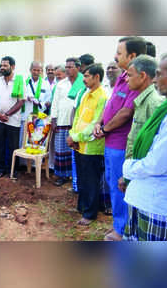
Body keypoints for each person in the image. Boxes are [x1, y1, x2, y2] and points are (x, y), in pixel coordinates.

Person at [93, 36, 146, 241]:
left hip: (120, 144)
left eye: (119, 53)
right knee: (112, 183)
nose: (115, 57)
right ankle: (118, 224)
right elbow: (110, 106)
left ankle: (121, 230)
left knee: (119, 186)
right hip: (109, 141)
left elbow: (126, 113)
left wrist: (104, 129)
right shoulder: (123, 77)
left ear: (132, 56)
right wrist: (99, 123)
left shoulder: (136, 81)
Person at [122, 52, 167, 241]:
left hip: (158, 203)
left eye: (160, 74)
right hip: (146, 196)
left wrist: (128, 168)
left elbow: (156, 163)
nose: (155, 80)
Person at [67, 64, 108, 225]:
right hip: (79, 144)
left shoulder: (102, 97)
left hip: (91, 147)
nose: (83, 79)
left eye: (87, 76)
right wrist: (73, 136)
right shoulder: (85, 94)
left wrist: (76, 137)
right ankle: (82, 207)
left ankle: (90, 214)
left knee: (91, 181)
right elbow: (77, 117)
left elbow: (95, 125)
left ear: (97, 77)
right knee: (82, 179)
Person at [51, 57, 85, 186]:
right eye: (67, 67)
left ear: (78, 68)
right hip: (61, 121)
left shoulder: (83, 82)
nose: (68, 69)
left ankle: (75, 177)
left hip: (77, 123)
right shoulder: (61, 84)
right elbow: (55, 103)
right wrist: (54, 120)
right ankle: (62, 176)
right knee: (61, 150)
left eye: (71, 67)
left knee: (76, 150)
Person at [0, 56, 25, 178]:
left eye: (5, 65)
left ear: (13, 67)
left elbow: (21, 101)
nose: (2, 68)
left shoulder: (19, 81)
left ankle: (12, 169)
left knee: (12, 146)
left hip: (13, 120)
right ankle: (0, 169)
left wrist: (7, 114)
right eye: (1, 65)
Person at [21, 61, 51, 147]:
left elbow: (48, 101)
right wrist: (27, 98)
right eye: (34, 70)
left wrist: (41, 104)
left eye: (39, 70)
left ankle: (36, 160)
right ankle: (23, 160)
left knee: (37, 142)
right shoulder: (24, 83)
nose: (36, 72)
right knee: (24, 143)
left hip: (39, 118)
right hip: (26, 117)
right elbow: (20, 97)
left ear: (41, 71)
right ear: (30, 70)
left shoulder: (45, 84)